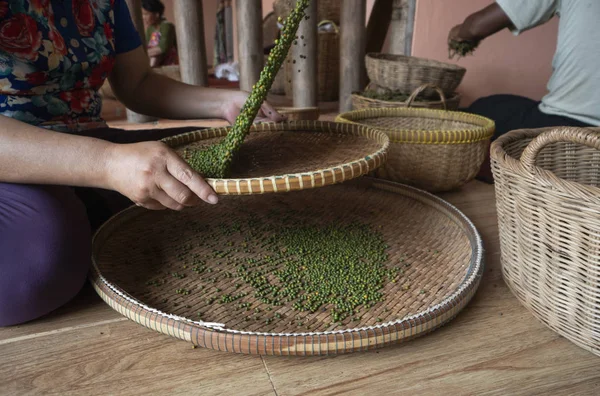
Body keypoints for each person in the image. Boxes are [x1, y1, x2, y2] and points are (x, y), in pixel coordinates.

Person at [0, 0, 284, 327]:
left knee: (244, 158)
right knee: (36, 267)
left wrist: (224, 102)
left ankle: (89, 215)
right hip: (18, 157)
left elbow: (137, 83)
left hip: (92, 136)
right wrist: (108, 164)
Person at [449, 1, 600, 182]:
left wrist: (457, 34)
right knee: (503, 104)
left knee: (482, 110)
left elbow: (475, 27)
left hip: (567, 127)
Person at [142, 0, 178, 67]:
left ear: (157, 14)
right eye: (143, 14)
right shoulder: (150, 29)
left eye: (146, 14)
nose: (143, 17)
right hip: (152, 56)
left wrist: (144, 54)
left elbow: (163, 48)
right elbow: (146, 45)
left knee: (155, 56)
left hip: (167, 59)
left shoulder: (167, 26)